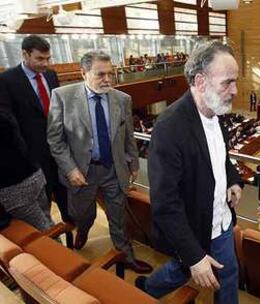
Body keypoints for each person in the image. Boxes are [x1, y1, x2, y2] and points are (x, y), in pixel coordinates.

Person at [138, 41, 243, 303]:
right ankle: (147, 291)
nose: (235, 90)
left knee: (229, 273)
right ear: (200, 81)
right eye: (227, 83)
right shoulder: (170, 127)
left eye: (236, 81)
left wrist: (233, 180)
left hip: (222, 221)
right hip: (194, 226)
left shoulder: (218, 113)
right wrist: (194, 257)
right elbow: (165, 203)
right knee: (181, 270)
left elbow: (220, 158)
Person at [47, 50, 152, 274]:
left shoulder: (122, 99)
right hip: (81, 173)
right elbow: (55, 140)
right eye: (100, 74)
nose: (107, 80)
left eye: (110, 74)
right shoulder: (62, 96)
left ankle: (126, 256)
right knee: (84, 215)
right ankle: (83, 230)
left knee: (118, 217)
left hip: (113, 169)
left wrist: (133, 163)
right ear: (83, 73)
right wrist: (70, 168)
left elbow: (127, 135)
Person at [0, 34, 70, 225]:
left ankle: (70, 226)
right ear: (25, 54)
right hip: (33, 154)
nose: (45, 63)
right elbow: (9, 122)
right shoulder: (6, 80)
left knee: (65, 193)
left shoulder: (50, 75)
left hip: (58, 147)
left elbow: (57, 109)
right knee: (44, 200)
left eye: (48, 58)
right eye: (40, 58)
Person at [0, 110, 54, 231]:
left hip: (14, 188)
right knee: (46, 221)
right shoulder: (4, 113)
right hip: (34, 173)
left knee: (41, 231)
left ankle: (57, 249)